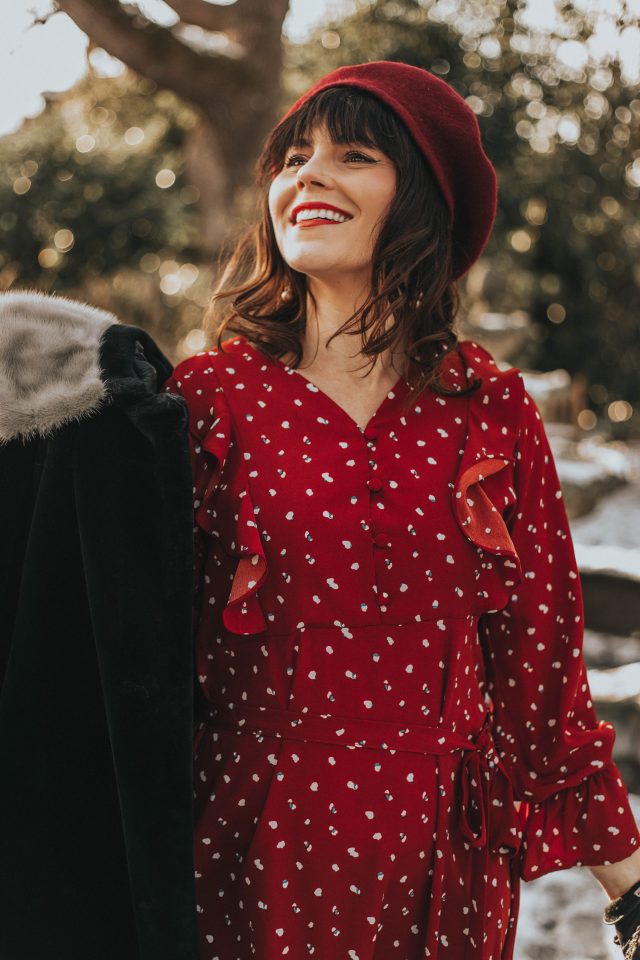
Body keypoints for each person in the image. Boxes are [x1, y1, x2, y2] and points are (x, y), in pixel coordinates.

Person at [161, 61, 640, 959]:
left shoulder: (490, 408)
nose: (308, 175)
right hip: (249, 856)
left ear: (421, 196)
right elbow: (132, 652)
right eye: (294, 156)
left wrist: (631, 886)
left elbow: (539, 674)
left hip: (444, 868)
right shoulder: (206, 401)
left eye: (352, 155)